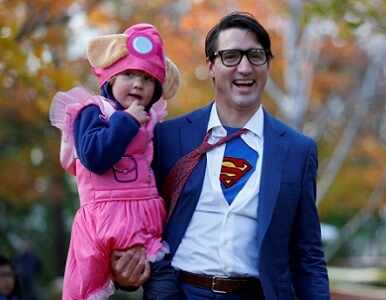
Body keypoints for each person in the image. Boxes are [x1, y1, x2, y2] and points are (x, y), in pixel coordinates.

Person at [112, 12, 330, 300]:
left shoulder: (298, 151)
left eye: (255, 55)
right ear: (211, 66)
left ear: (267, 63)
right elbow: (138, 219)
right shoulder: (168, 137)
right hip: (179, 293)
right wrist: (126, 275)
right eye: (230, 56)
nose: (244, 67)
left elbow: (308, 255)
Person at [49, 23, 181, 299]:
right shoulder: (94, 111)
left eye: (147, 79)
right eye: (129, 74)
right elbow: (94, 156)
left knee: (165, 281)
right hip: (104, 219)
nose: (138, 83)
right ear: (110, 78)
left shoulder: (152, 120)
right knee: (85, 291)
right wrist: (127, 121)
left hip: (145, 221)